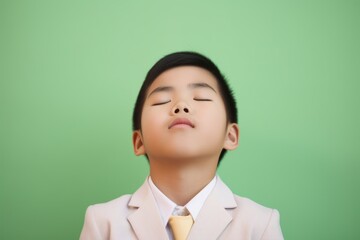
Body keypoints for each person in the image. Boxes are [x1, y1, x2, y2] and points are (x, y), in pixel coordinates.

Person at [80, 51, 284, 240]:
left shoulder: (259, 224)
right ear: (139, 141)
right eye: (161, 100)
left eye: (201, 97)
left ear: (230, 135)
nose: (181, 106)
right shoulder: (103, 222)